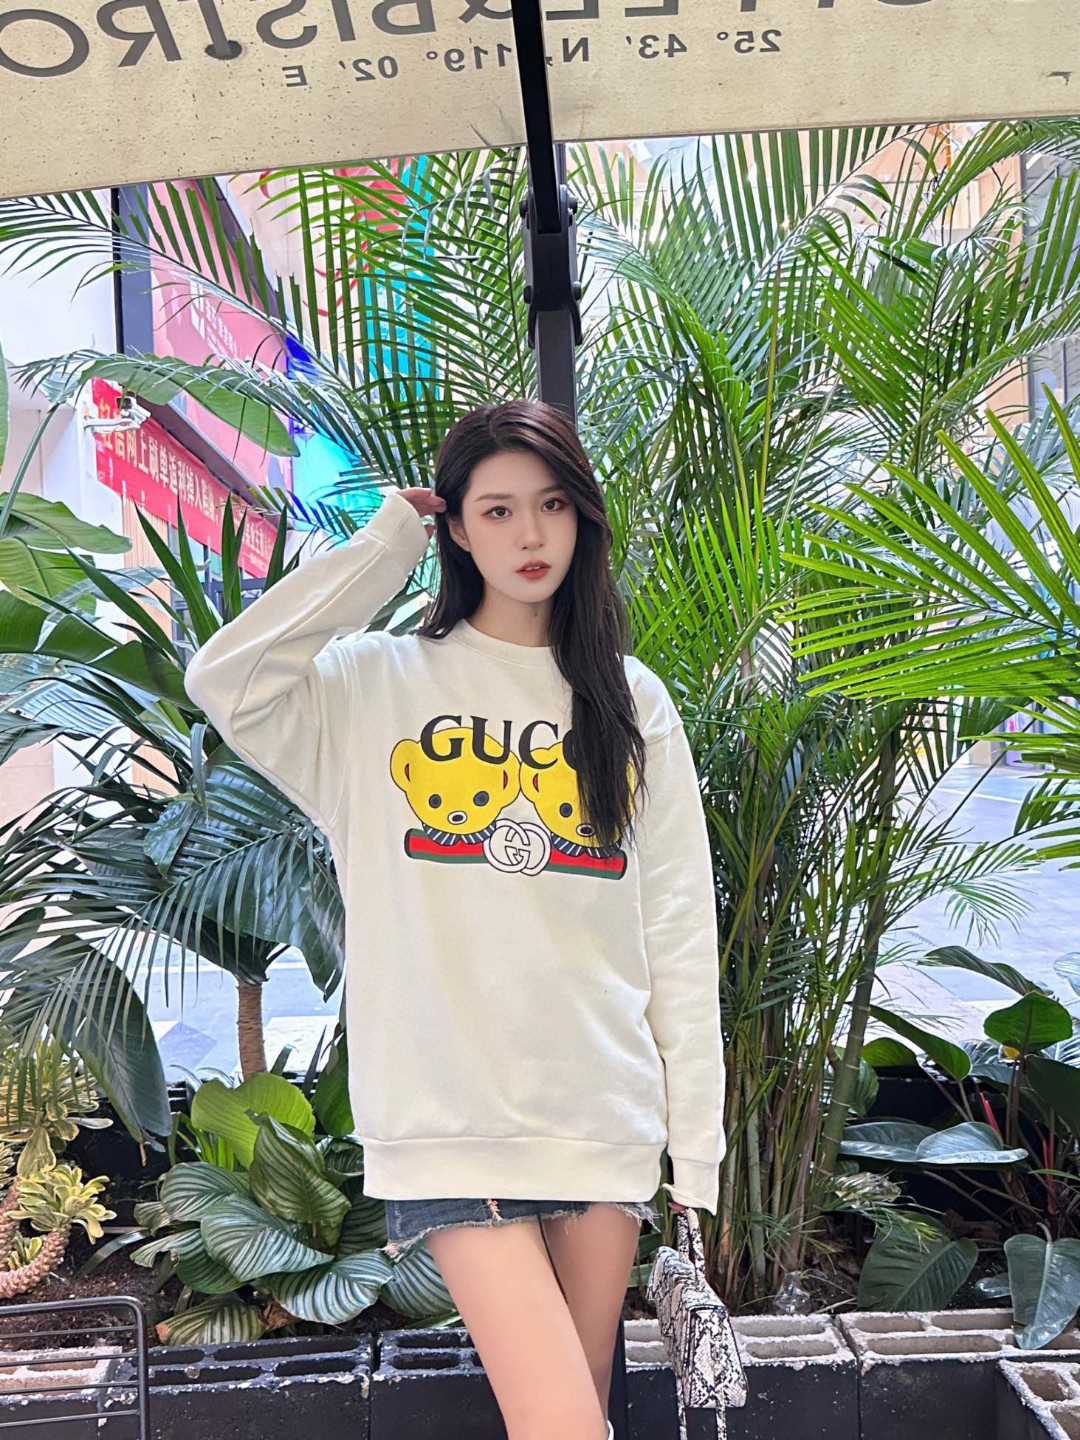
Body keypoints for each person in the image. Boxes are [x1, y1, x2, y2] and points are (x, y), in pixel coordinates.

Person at [182, 398, 726, 1440]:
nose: (530, 535)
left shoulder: (630, 701)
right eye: (498, 509)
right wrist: (384, 549)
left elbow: (676, 929)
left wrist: (693, 1150)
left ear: (583, 519)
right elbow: (227, 678)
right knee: (564, 1426)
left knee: (579, 1411)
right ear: (459, 530)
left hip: (600, 1110)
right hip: (449, 1118)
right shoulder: (372, 685)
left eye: (552, 505)